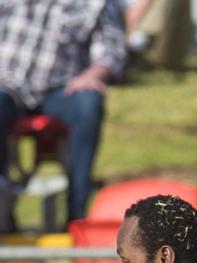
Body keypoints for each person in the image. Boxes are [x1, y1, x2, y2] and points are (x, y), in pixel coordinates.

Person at [0, 0, 126, 224]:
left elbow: (110, 53)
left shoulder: (97, 4)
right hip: (6, 86)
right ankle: (3, 209)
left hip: (61, 89)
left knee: (89, 102)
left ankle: (76, 211)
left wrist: (94, 75)